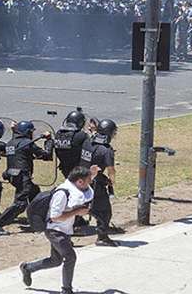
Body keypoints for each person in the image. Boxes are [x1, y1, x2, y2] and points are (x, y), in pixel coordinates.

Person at [19, 166, 98, 294]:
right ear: (79, 182)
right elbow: (54, 217)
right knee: (70, 257)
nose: (90, 183)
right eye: (88, 180)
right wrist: (77, 211)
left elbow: (84, 186)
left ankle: (27, 268)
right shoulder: (62, 193)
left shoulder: (75, 186)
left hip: (64, 230)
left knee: (55, 261)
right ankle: (66, 290)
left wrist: (92, 173)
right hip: (54, 230)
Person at [0, 120, 53, 236]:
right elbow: (46, 155)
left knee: (35, 193)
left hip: (12, 175)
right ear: (27, 132)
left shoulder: (10, 143)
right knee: (20, 203)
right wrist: (49, 140)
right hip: (22, 175)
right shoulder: (27, 143)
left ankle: (38, 220)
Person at [79, 119, 120, 246]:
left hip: (81, 179)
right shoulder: (106, 150)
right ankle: (102, 237)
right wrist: (112, 181)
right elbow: (111, 170)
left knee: (82, 206)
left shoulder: (88, 142)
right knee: (104, 211)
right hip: (95, 183)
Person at [53, 111, 90, 228]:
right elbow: (87, 151)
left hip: (65, 168)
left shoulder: (59, 133)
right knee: (80, 195)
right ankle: (75, 220)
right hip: (78, 170)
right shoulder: (81, 135)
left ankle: (77, 218)